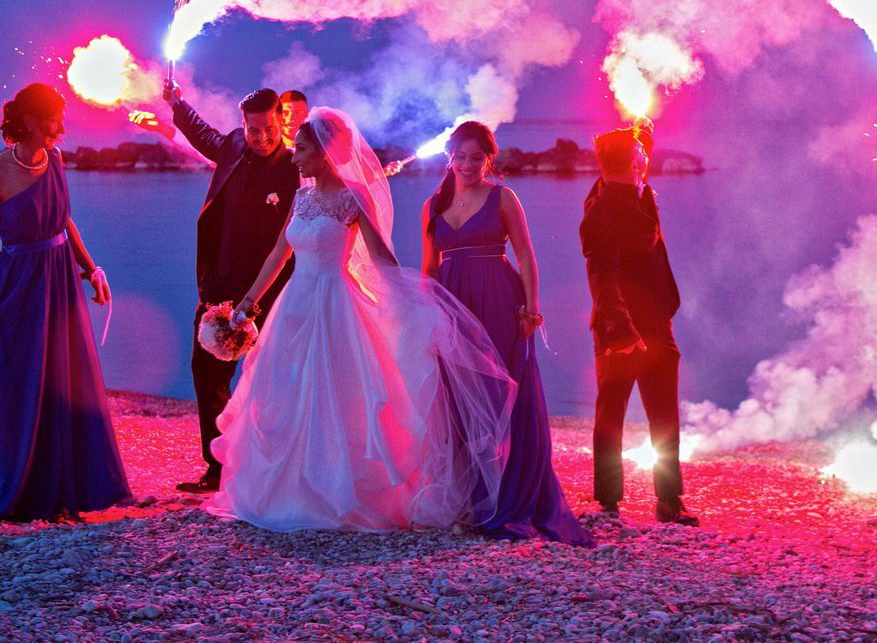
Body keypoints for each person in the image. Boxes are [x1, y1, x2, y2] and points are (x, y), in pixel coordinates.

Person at [208, 109, 515, 532]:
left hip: (337, 304)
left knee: (340, 398)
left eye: (300, 150)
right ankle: (283, 490)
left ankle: (336, 494)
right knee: (286, 393)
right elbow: (280, 254)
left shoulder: (353, 196)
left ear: (324, 153)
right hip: (296, 304)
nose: (294, 158)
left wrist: (412, 301)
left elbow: (379, 258)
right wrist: (246, 305)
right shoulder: (301, 197)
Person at [422, 122, 593, 546]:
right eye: (460, 157)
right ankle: (470, 498)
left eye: (476, 158)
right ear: (449, 156)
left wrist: (532, 307)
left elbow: (525, 254)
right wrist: (423, 317)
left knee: (507, 396)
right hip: (451, 303)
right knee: (459, 397)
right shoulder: (432, 204)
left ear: (488, 159)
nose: (467, 165)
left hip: (499, 299)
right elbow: (427, 267)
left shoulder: (503, 197)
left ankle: (512, 499)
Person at [0, 84, 131, 521]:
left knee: (67, 373)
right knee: (23, 377)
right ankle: (26, 482)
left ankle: (75, 481)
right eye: (55, 118)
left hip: (60, 277)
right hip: (19, 284)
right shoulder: (0, 170)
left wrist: (93, 269)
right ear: (33, 121)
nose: (62, 126)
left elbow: (64, 219)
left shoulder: (55, 159)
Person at [165, 81, 300, 494]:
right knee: (207, 372)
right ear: (243, 126)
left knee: (271, 381)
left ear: (282, 120)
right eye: (252, 130)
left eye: (268, 129)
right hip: (219, 285)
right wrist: (177, 102)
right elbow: (202, 133)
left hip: (273, 291)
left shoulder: (297, 166)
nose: (260, 138)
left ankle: (274, 469)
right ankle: (218, 466)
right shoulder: (232, 147)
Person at [580, 121, 697, 526]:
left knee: (664, 414)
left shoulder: (631, 192)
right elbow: (602, 277)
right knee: (611, 414)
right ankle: (608, 502)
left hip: (657, 325)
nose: (646, 160)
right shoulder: (602, 211)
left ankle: (669, 499)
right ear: (633, 164)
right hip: (620, 332)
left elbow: (626, 164)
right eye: (640, 156)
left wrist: (639, 134)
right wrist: (622, 331)